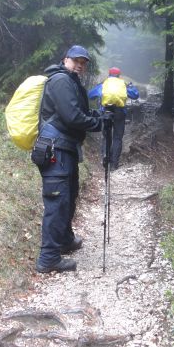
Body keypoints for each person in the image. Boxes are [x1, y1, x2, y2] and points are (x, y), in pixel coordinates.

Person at [33, 45, 106, 274]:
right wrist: (100, 123)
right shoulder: (61, 81)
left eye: (83, 63)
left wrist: (100, 115)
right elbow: (72, 117)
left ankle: (64, 240)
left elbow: (78, 112)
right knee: (57, 201)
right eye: (76, 61)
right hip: (56, 149)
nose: (79, 65)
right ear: (65, 59)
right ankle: (48, 258)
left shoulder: (70, 81)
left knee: (69, 195)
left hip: (65, 148)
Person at [88, 67, 139, 170]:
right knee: (117, 137)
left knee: (106, 136)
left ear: (109, 74)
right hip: (120, 112)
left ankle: (105, 158)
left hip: (106, 111)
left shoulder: (104, 84)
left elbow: (90, 95)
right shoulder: (123, 85)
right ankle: (114, 164)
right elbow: (135, 96)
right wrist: (131, 87)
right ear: (119, 75)